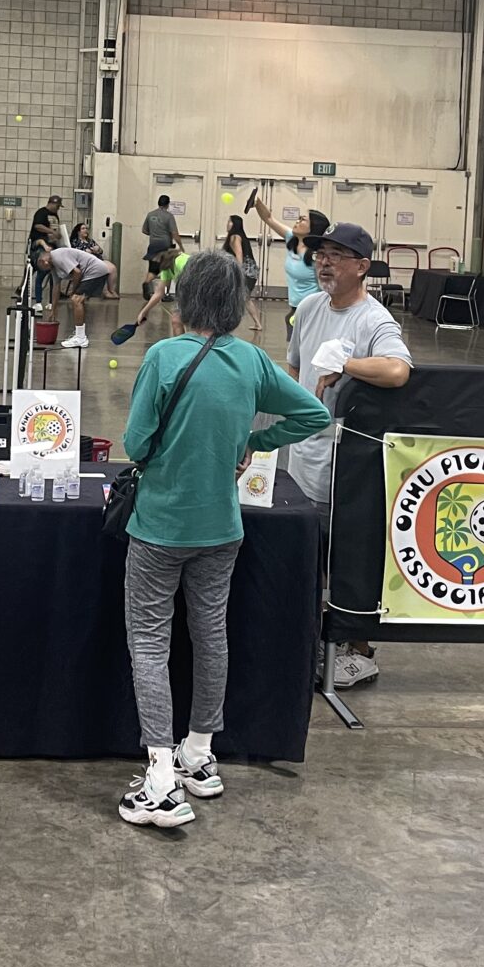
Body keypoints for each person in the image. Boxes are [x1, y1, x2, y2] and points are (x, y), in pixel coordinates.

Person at [115, 251, 332, 828]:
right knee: (210, 634)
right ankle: (199, 753)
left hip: (160, 526)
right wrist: (254, 444)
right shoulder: (253, 363)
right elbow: (313, 415)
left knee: (149, 642)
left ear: (184, 298)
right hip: (221, 528)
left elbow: (136, 446)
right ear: (238, 305)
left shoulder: (163, 357)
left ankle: (159, 774)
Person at [284, 221, 413, 688]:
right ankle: (314, 644)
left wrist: (348, 364)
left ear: (362, 267)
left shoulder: (373, 319)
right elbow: (296, 364)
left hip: (342, 464)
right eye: (321, 253)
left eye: (338, 255)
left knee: (344, 560)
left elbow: (398, 370)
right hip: (301, 455)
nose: (324, 261)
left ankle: (359, 651)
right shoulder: (311, 307)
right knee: (306, 557)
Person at [253, 196, 330, 341]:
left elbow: (327, 287)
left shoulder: (318, 255)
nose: (297, 222)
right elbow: (269, 218)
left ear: (313, 228)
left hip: (313, 311)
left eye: (302, 220)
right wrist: (257, 203)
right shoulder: (292, 239)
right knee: (294, 354)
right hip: (294, 309)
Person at [37, 243, 116, 349]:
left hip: (94, 270)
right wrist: (53, 310)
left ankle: (80, 338)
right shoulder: (53, 267)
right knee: (78, 301)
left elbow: (77, 272)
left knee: (76, 300)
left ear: (44, 261)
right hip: (90, 272)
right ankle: (80, 334)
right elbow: (56, 287)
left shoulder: (58, 257)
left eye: (43, 267)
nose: (45, 270)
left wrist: (73, 291)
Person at [128, 245, 190, 338]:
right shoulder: (167, 268)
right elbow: (159, 293)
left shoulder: (181, 261)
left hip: (201, 292)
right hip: (188, 294)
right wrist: (144, 312)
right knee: (176, 321)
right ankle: (180, 348)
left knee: (194, 326)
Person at [220, 215, 264, 335]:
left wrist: (238, 273)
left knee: (240, 297)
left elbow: (239, 255)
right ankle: (257, 323)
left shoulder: (235, 237)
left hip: (245, 271)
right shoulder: (239, 236)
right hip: (250, 270)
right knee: (245, 298)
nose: (227, 224)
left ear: (235, 224)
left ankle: (226, 321)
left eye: (229, 221)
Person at [141, 195, 181, 299]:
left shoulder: (150, 215)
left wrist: (155, 234)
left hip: (153, 246)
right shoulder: (169, 216)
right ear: (168, 204)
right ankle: (166, 294)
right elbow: (174, 233)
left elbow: (144, 230)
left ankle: (146, 283)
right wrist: (180, 245)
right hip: (165, 247)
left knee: (153, 269)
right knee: (167, 271)